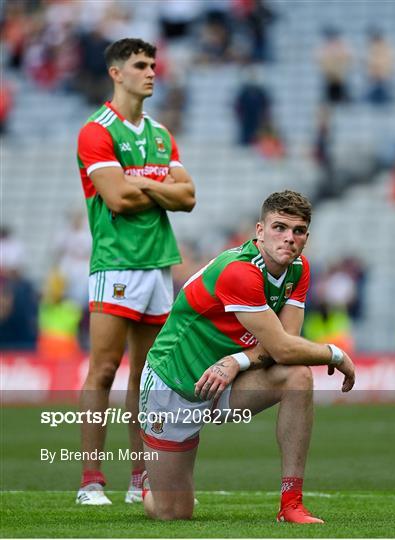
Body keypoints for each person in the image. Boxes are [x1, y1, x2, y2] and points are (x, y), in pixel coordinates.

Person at [139, 190, 355, 523]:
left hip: (227, 380)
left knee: (297, 376)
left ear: (306, 238)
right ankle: (151, 482)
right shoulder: (239, 271)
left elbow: (287, 345)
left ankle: (291, 504)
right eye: (279, 228)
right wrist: (335, 355)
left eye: (298, 231)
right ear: (259, 231)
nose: (289, 238)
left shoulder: (298, 270)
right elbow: (282, 348)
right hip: (174, 385)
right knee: (174, 513)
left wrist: (237, 361)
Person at [76, 37, 195, 505]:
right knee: (103, 369)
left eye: (153, 64)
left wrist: (138, 178)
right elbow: (117, 198)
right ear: (116, 72)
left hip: (158, 265)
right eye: (141, 65)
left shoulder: (161, 134)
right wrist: (158, 182)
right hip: (117, 263)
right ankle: (89, 480)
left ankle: (139, 478)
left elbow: (188, 198)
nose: (151, 72)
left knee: (147, 378)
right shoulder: (96, 130)